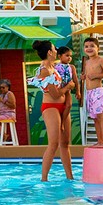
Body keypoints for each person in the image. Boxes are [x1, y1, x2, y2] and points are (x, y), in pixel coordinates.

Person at [28, 41, 74, 183]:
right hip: (50, 107)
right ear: (49, 52)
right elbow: (55, 94)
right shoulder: (44, 71)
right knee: (53, 143)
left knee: (65, 143)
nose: (56, 51)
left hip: (62, 106)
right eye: (54, 49)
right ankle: (44, 179)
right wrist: (68, 87)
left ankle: (70, 177)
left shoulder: (54, 67)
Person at [81, 38, 103, 149]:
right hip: (89, 92)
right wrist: (84, 77)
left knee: (100, 117)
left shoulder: (101, 60)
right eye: (86, 46)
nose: (89, 48)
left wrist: (96, 76)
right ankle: (99, 141)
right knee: (94, 118)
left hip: (98, 92)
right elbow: (87, 75)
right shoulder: (87, 62)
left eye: (92, 46)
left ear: (98, 48)